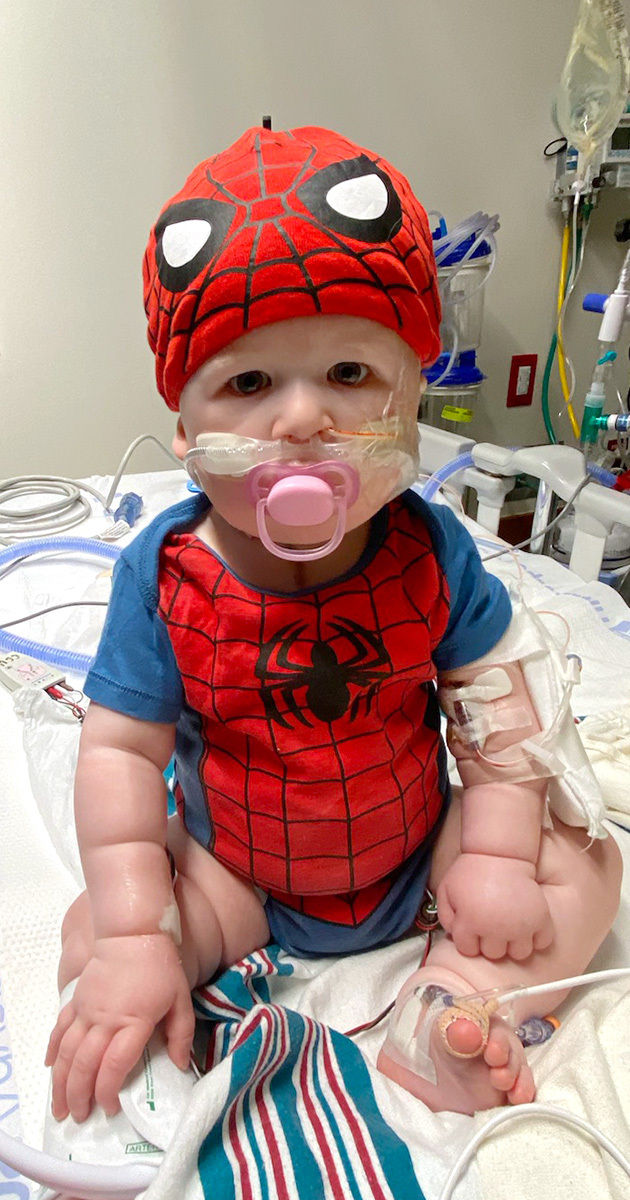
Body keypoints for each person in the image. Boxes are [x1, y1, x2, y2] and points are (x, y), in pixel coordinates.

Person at [46, 124, 622, 1123]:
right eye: (249, 383)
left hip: (419, 855)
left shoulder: (431, 552)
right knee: (94, 931)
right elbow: (120, 759)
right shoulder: (165, 575)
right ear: (185, 429)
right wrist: (143, 935)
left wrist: (487, 858)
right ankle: (150, 985)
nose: (303, 420)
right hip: (241, 881)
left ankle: (449, 1013)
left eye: (350, 376)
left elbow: (500, 711)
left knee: (586, 868)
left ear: (411, 402)